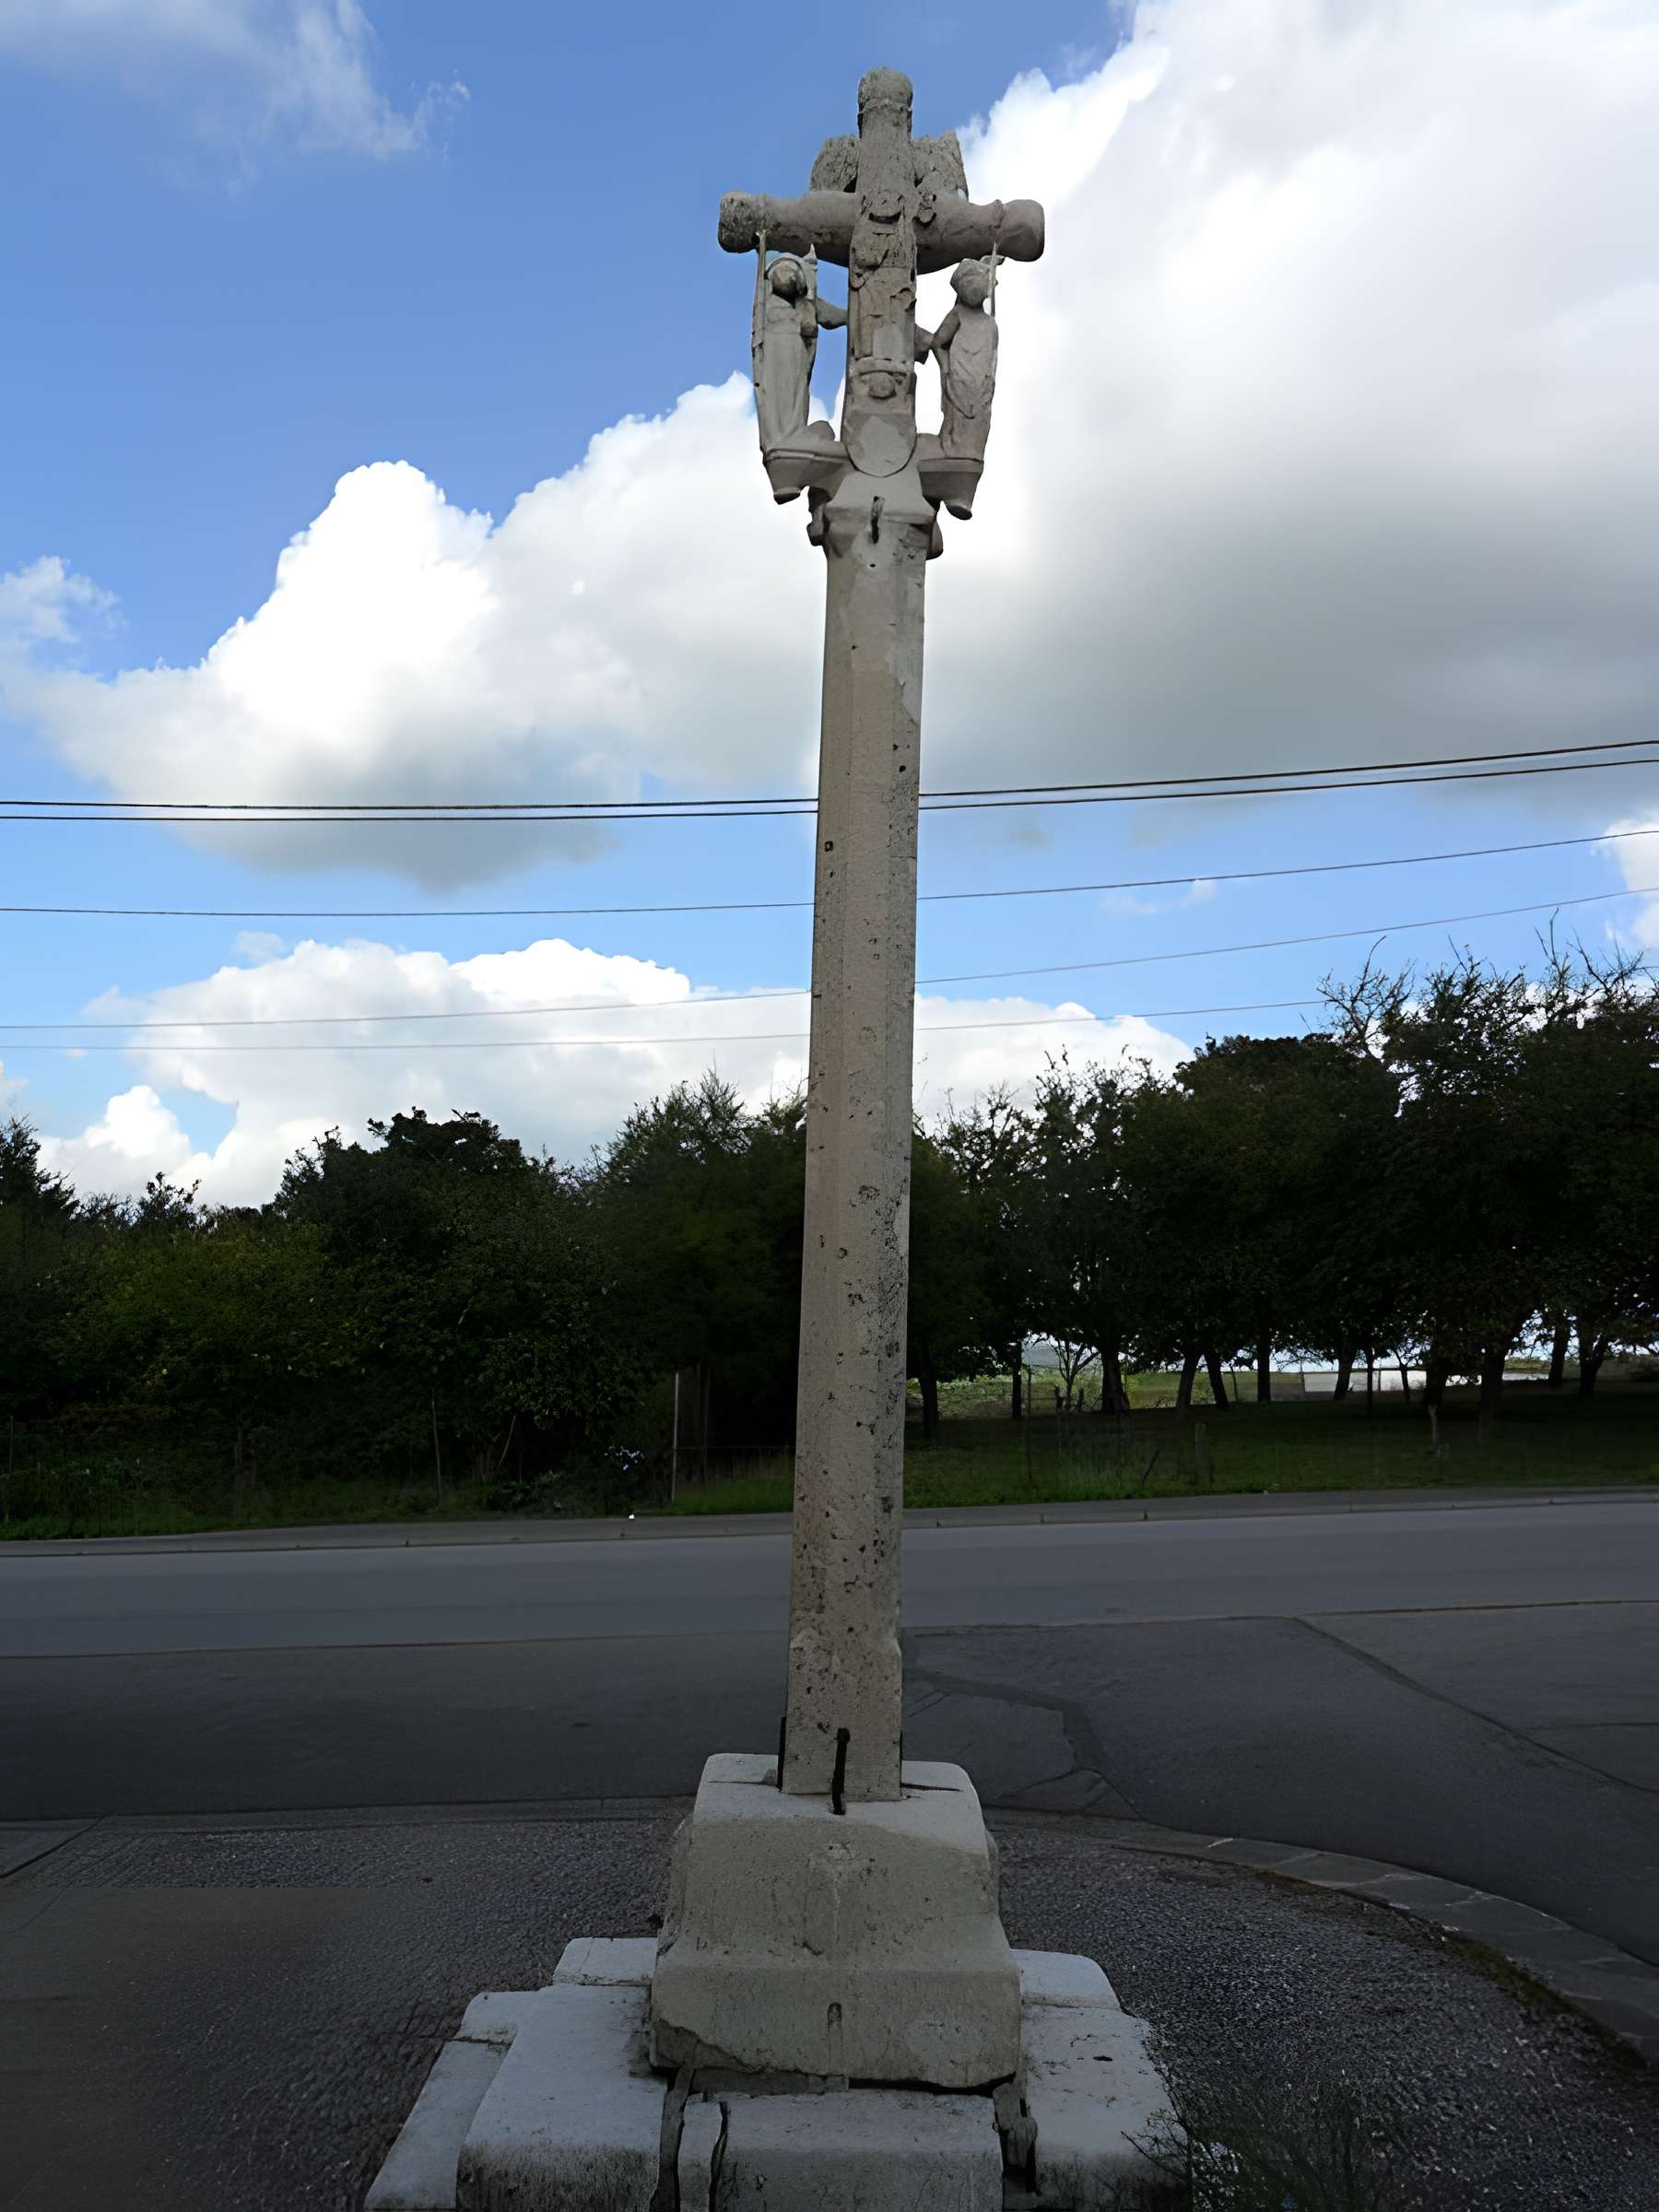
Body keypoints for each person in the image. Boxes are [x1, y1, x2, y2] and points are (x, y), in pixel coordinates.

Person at [754, 255, 848, 451]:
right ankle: (778, 436)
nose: (788, 275)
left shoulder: (804, 306)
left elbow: (829, 316)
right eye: (782, 270)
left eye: (793, 271)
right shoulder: (766, 305)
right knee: (775, 395)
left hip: (796, 356)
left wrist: (851, 315)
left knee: (795, 394)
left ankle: (794, 433)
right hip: (773, 357)